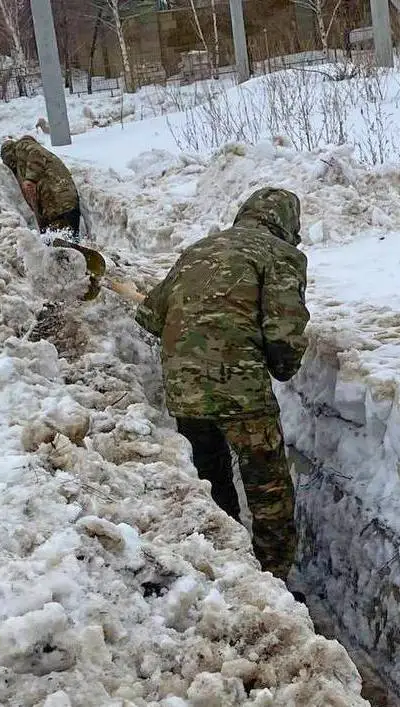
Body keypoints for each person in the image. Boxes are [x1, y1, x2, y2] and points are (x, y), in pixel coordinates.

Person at [135, 188, 309, 582]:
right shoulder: (281, 255)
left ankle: (224, 565)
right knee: (269, 494)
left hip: (184, 390)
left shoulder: (199, 249)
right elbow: (283, 331)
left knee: (211, 478)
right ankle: (275, 580)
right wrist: (282, 367)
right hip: (242, 391)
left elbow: (149, 315)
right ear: (287, 224)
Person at [0, 136, 81, 239]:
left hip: (60, 202)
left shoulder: (22, 147)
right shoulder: (23, 167)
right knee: (64, 242)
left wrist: (30, 179)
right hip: (58, 205)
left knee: (65, 242)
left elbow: (36, 153)